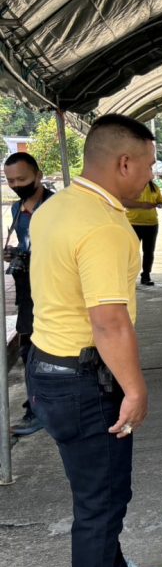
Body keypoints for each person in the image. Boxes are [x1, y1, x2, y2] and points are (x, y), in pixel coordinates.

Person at [28, 114, 162, 567]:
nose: (150, 177)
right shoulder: (106, 227)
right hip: (84, 380)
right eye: (149, 166)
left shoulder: (56, 207)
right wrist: (135, 388)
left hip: (49, 365)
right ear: (124, 163)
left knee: (96, 486)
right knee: (102, 498)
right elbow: (109, 322)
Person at [4, 152, 53, 438]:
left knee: (53, 350)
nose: (16, 185)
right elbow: (27, 244)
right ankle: (36, 408)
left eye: (21, 179)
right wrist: (16, 254)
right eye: (11, 181)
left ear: (38, 175)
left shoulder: (57, 206)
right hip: (27, 289)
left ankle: (46, 407)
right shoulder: (16, 210)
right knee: (28, 350)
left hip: (55, 288)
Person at [124, 180, 162, 286]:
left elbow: (161, 202)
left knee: (149, 252)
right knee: (132, 252)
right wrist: (142, 205)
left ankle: (146, 276)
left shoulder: (154, 187)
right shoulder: (130, 185)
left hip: (151, 224)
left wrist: (160, 204)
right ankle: (129, 277)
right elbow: (124, 202)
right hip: (133, 223)